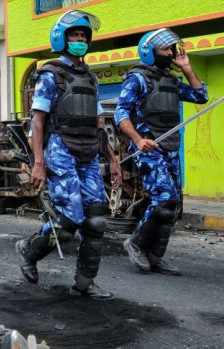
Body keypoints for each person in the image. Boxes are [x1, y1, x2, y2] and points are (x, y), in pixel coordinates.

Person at [15, 9, 122, 300]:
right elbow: (37, 121)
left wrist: (113, 160)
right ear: (62, 39)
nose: (80, 40)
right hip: (60, 151)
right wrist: (39, 162)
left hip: (89, 152)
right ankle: (28, 250)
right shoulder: (50, 75)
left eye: (83, 36)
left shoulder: (91, 80)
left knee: (97, 220)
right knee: (67, 224)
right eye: (74, 35)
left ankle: (84, 284)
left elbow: (99, 124)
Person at [115, 29, 208, 276]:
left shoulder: (171, 80)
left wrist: (187, 67)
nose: (170, 53)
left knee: (173, 205)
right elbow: (120, 113)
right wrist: (138, 139)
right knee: (163, 199)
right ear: (149, 52)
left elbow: (201, 96)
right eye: (165, 49)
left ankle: (155, 256)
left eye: (172, 49)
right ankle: (135, 243)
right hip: (149, 148)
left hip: (170, 147)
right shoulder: (137, 79)